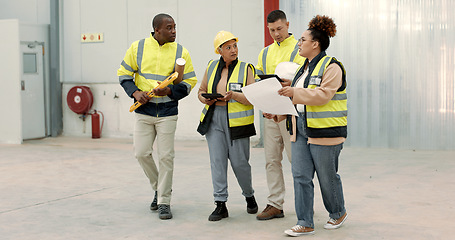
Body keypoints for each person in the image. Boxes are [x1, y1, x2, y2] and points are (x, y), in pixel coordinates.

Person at [117, 13, 197, 220]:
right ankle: (157, 188)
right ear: (157, 30)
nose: (174, 31)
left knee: (166, 157)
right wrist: (135, 93)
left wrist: (170, 91)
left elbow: (189, 82)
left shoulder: (181, 52)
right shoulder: (138, 48)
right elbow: (124, 74)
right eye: (169, 28)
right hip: (144, 111)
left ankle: (164, 201)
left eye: (175, 27)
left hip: (168, 112)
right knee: (141, 153)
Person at [277, 15, 348, 236]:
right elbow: (298, 100)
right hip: (299, 130)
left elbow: (322, 96)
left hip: (324, 132)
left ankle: (338, 212)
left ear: (315, 43)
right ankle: (305, 221)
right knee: (300, 176)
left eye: (302, 40)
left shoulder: (332, 67)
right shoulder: (302, 69)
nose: (298, 43)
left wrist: (294, 92)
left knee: (327, 176)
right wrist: (279, 111)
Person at [197, 31, 258, 221]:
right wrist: (204, 99)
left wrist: (235, 96)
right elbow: (201, 91)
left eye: (235, 46)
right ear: (219, 50)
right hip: (215, 118)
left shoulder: (246, 68)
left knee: (240, 163)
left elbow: (252, 98)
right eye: (228, 47)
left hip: (237, 122)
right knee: (217, 162)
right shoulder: (211, 66)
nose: (233, 50)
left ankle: (249, 195)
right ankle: (220, 204)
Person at [255, 10, 305, 221]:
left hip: (291, 113)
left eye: (279, 29)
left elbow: (306, 80)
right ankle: (275, 204)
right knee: (271, 160)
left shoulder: (300, 49)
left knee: (297, 161)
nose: (276, 34)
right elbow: (260, 81)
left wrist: (290, 85)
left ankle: (305, 204)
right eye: (272, 30)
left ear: (287, 25)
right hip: (270, 113)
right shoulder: (265, 53)